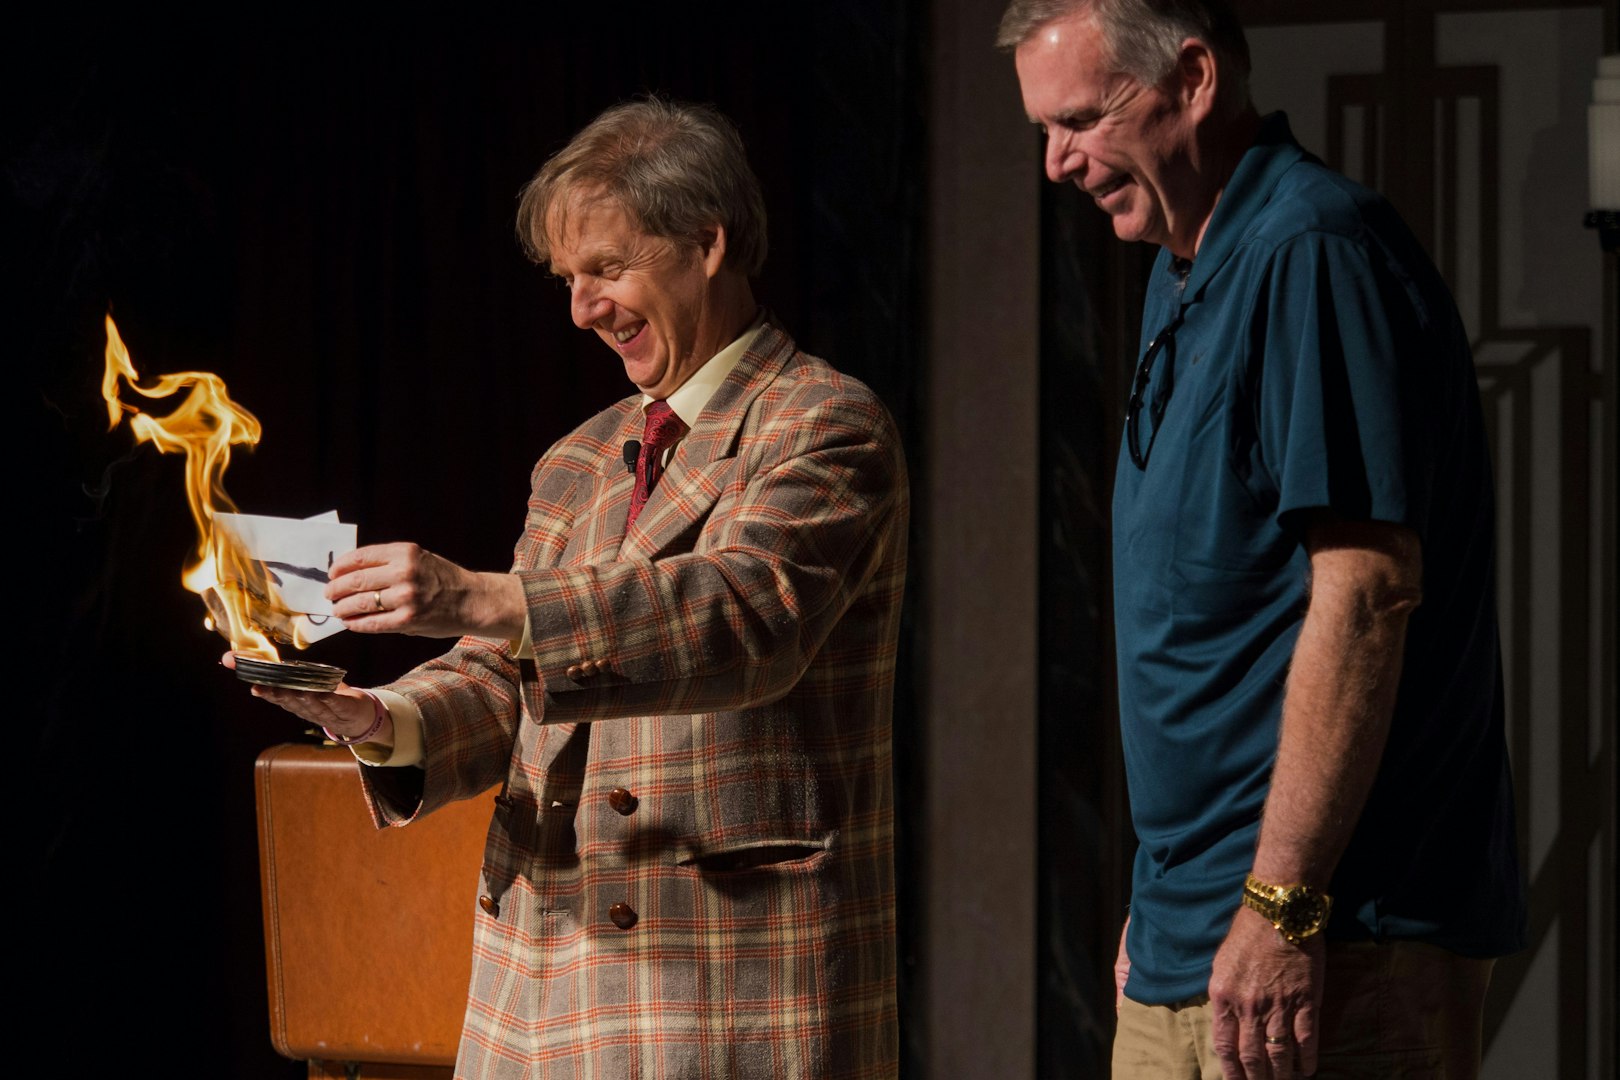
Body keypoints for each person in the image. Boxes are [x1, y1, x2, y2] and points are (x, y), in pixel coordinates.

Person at [240, 98, 906, 1078]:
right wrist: (383, 720)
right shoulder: (578, 461)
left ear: (708, 244)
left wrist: (489, 599)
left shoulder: (822, 424)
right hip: (546, 993)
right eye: (568, 280)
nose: (581, 308)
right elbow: (507, 674)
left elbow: (746, 617)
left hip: (728, 990)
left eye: (606, 269)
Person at [1000, 2, 1525, 1078]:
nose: (1056, 163)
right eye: (1042, 130)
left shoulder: (1314, 251)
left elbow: (1368, 592)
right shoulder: (1180, 270)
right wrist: (1170, 901)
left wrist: (1281, 905)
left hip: (1332, 941)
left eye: (1082, 121)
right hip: (1192, 938)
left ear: (1193, 79)